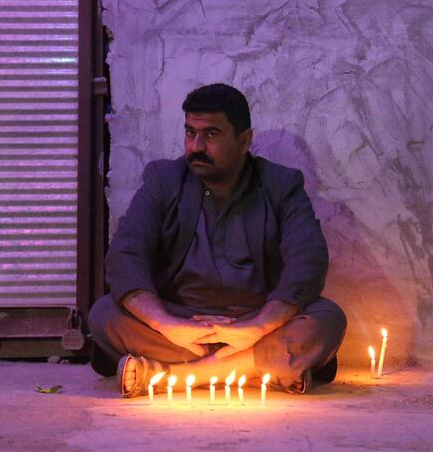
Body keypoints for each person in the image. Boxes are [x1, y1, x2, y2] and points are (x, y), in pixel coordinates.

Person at [88, 83, 346, 397]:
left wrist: (257, 328)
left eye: (211, 134)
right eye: (189, 133)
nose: (196, 146)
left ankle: (177, 376)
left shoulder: (281, 185)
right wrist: (166, 323)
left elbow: (308, 260)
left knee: (327, 319)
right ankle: (262, 367)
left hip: (257, 323)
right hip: (179, 325)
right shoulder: (163, 180)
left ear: (244, 140)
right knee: (104, 313)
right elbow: (125, 256)